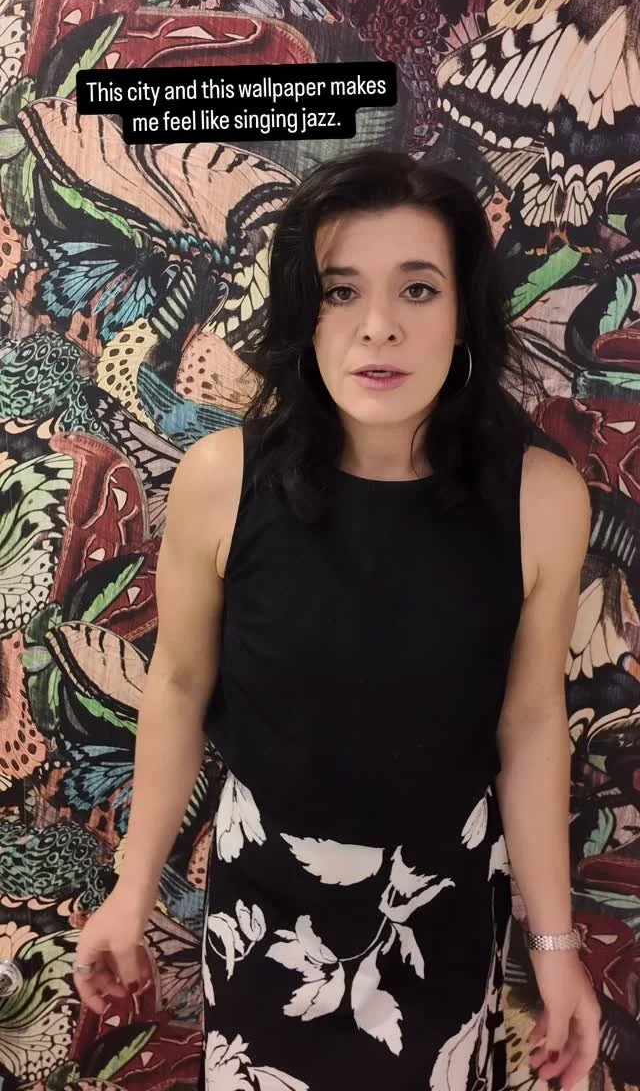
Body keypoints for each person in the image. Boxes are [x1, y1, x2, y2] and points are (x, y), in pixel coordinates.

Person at [73, 149, 601, 1090]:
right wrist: (132, 888)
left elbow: (529, 723)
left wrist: (553, 948)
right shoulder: (221, 481)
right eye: (340, 291)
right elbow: (180, 685)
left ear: (464, 316)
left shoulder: (543, 500)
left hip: (441, 908)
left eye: (419, 290)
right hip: (263, 910)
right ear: (301, 315)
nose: (379, 327)